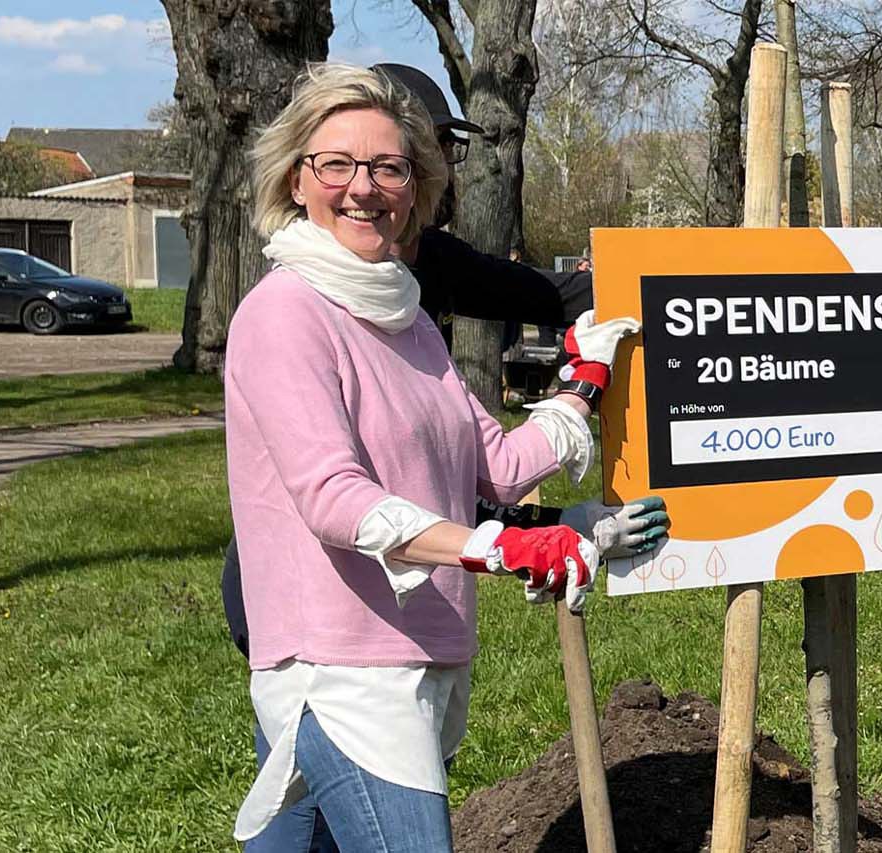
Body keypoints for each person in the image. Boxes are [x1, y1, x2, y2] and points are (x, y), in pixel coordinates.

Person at [225, 63, 642, 849]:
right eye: (337, 164)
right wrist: (500, 545)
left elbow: (494, 462)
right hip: (342, 670)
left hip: (417, 649)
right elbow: (333, 495)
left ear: (417, 188)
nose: (364, 187)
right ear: (296, 178)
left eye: (389, 167)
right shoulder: (283, 314)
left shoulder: (408, 320)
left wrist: (581, 383)